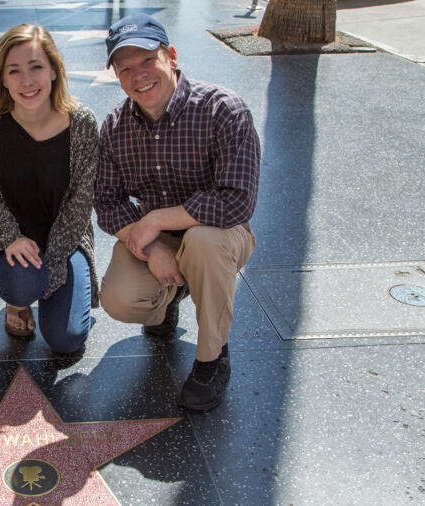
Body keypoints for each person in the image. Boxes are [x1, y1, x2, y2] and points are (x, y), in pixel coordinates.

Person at [96, 13, 260, 410]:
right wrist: (153, 248)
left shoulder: (224, 109)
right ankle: (171, 296)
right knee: (118, 298)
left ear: (171, 56)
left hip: (220, 232)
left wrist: (155, 220)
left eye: (147, 61)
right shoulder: (116, 126)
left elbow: (237, 200)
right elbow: (106, 203)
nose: (139, 76)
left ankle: (212, 359)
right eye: (126, 68)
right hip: (161, 240)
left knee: (203, 243)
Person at [0, 24, 99, 354]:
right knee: (24, 284)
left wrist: (52, 263)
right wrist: (10, 237)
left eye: (36, 67)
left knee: (67, 340)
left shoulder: (82, 123)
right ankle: (16, 302)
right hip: (8, 240)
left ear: (53, 69)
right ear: (2, 78)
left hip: (65, 239)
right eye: (14, 71)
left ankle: (62, 303)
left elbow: (81, 202)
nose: (27, 81)